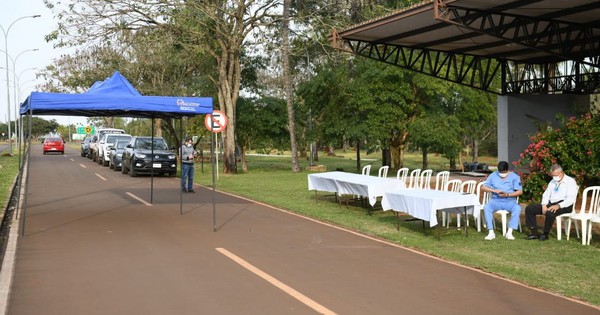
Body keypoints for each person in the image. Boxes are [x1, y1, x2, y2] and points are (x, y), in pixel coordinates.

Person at [525, 164, 578, 241]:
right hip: (551, 203)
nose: (554, 177)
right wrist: (544, 205)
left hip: (564, 205)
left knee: (550, 212)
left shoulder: (570, 181)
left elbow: (570, 199)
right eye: (553, 175)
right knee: (530, 209)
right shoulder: (552, 181)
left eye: (556, 175)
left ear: (561, 173)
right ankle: (534, 233)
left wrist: (558, 206)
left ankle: (545, 234)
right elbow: (546, 195)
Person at [481, 161, 523, 240]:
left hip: (509, 201)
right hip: (496, 200)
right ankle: (491, 232)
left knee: (517, 208)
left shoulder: (515, 177)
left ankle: (510, 232)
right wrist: (494, 191)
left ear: (508, 170)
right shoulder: (493, 175)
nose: (502, 174)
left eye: (504, 172)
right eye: (500, 172)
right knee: (487, 207)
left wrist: (508, 194)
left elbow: (520, 191)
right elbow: (483, 187)